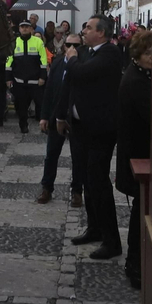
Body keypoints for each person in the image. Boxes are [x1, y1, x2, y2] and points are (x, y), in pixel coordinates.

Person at [57, 15, 125, 260]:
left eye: (89, 27)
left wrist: (72, 60)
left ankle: (112, 241)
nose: (84, 30)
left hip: (100, 130)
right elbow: (72, 84)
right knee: (86, 179)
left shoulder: (110, 53)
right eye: (84, 26)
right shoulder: (86, 51)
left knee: (99, 182)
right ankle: (94, 228)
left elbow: (80, 74)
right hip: (80, 128)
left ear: (102, 33)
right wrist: (60, 116)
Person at [116, 28, 152, 289]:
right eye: (148, 53)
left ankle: (137, 264)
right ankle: (135, 266)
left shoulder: (143, 75)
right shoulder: (136, 81)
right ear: (138, 55)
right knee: (140, 214)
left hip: (141, 156)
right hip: (138, 158)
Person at [38, 31, 86, 208]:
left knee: (78, 157)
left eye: (77, 45)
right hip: (55, 116)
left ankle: (76, 191)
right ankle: (47, 188)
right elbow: (49, 92)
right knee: (51, 155)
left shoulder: (83, 64)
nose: (72, 48)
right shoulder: (57, 63)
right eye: (69, 45)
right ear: (63, 46)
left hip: (75, 119)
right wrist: (44, 116)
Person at [4, 19, 49, 133]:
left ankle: (46, 125)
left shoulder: (38, 42)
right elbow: (9, 62)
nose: (24, 28)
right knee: (21, 107)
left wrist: (43, 77)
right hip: (19, 81)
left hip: (35, 81)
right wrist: (8, 78)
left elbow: (43, 61)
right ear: (19, 29)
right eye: (22, 26)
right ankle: (23, 125)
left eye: (27, 27)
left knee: (42, 104)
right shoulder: (14, 42)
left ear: (31, 29)